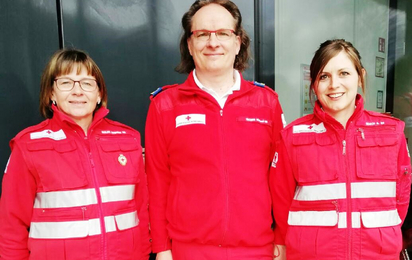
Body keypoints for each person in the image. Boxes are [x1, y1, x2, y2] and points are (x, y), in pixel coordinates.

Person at [145, 0, 285, 259]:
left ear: (238, 42)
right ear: (189, 43)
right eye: (202, 34)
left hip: (257, 251)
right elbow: (156, 181)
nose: (213, 42)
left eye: (223, 33)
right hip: (188, 252)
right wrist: (162, 248)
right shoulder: (164, 106)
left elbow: (281, 179)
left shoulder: (267, 103)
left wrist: (282, 238)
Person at [0, 48, 151, 260]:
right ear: (51, 92)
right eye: (66, 82)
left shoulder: (128, 139)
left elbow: (142, 211)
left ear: (99, 93)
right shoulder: (28, 145)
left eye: (87, 83)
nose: (77, 91)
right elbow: (11, 224)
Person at [271, 39, 411, 259]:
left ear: (360, 76)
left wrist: (385, 233)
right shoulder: (293, 136)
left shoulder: (391, 131)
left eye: (344, 73)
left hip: (377, 254)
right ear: (314, 84)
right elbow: (281, 200)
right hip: (312, 254)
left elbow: (401, 198)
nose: (334, 84)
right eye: (324, 76)